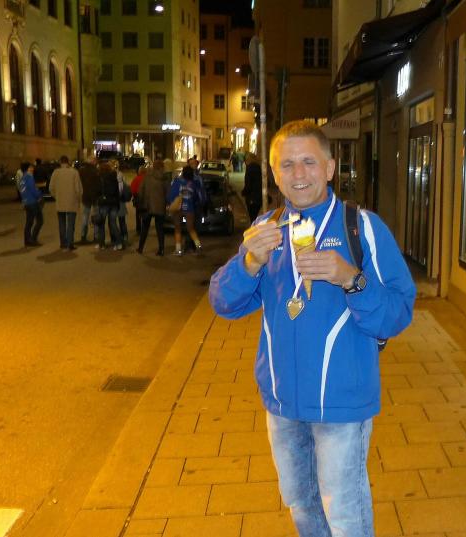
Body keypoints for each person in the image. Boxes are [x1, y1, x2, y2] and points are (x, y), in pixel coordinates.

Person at [208, 120, 416, 537]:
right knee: (301, 505)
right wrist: (249, 263)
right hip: (282, 405)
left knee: (346, 515)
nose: (298, 173)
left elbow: (399, 312)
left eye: (309, 162)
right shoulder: (267, 229)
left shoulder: (362, 227)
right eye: (287, 165)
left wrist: (351, 279)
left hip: (341, 407)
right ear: (274, 174)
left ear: (330, 168)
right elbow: (223, 302)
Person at [167, 165, 205, 256]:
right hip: (189, 208)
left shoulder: (177, 182)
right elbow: (199, 197)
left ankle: (178, 250)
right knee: (191, 229)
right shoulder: (194, 184)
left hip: (178, 208)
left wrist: (170, 203)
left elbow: (171, 195)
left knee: (178, 229)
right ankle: (198, 246)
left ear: (183, 173)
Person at [48, 155, 83, 251]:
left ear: (60, 162)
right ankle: (70, 243)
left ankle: (63, 243)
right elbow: (78, 189)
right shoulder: (74, 172)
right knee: (71, 224)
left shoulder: (56, 173)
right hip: (72, 202)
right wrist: (79, 199)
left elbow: (51, 188)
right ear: (68, 162)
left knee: (61, 224)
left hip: (60, 202)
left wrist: (56, 196)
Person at [137, 159, 169, 256]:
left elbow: (140, 190)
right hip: (160, 207)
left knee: (145, 228)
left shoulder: (147, 176)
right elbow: (168, 193)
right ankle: (161, 249)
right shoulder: (165, 178)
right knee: (160, 229)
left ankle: (140, 248)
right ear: (162, 167)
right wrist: (166, 203)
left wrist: (140, 202)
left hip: (147, 206)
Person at [96, 161, 123, 250]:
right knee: (113, 223)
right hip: (114, 203)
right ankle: (119, 243)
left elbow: (98, 191)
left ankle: (102, 244)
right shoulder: (114, 177)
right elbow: (117, 191)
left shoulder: (100, 178)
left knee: (101, 223)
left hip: (104, 203)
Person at [18, 161, 43, 247]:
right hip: (33, 202)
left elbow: (22, 190)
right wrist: (39, 195)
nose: (32, 169)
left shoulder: (23, 178)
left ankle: (27, 240)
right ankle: (33, 239)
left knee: (29, 222)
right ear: (27, 169)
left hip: (27, 202)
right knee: (40, 220)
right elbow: (33, 189)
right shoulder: (29, 177)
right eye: (31, 167)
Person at [78, 157, 101, 244]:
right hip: (95, 197)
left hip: (85, 196)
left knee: (85, 217)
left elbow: (79, 183)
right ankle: (96, 236)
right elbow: (99, 184)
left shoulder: (81, 171)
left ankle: (83, 236)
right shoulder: (96, 171)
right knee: (96, 217)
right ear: (93, 162)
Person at [242, 153, 263, 222]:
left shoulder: (249, 169)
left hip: (251, 198)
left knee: (252, 217)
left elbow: (248, 184)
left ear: (248, 160)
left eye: (245, 160)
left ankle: (253, 227)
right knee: (255, 216)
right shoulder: (258, 167)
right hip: (259, 197)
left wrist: (244, 192)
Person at [131, 165, 147, 236]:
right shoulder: (148, 179)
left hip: (138, 199)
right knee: (146, 214)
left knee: (138, 214)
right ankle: (145, 228)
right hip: (146, 199)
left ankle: (138, 229)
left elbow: (133, 190)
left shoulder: (136, 179)